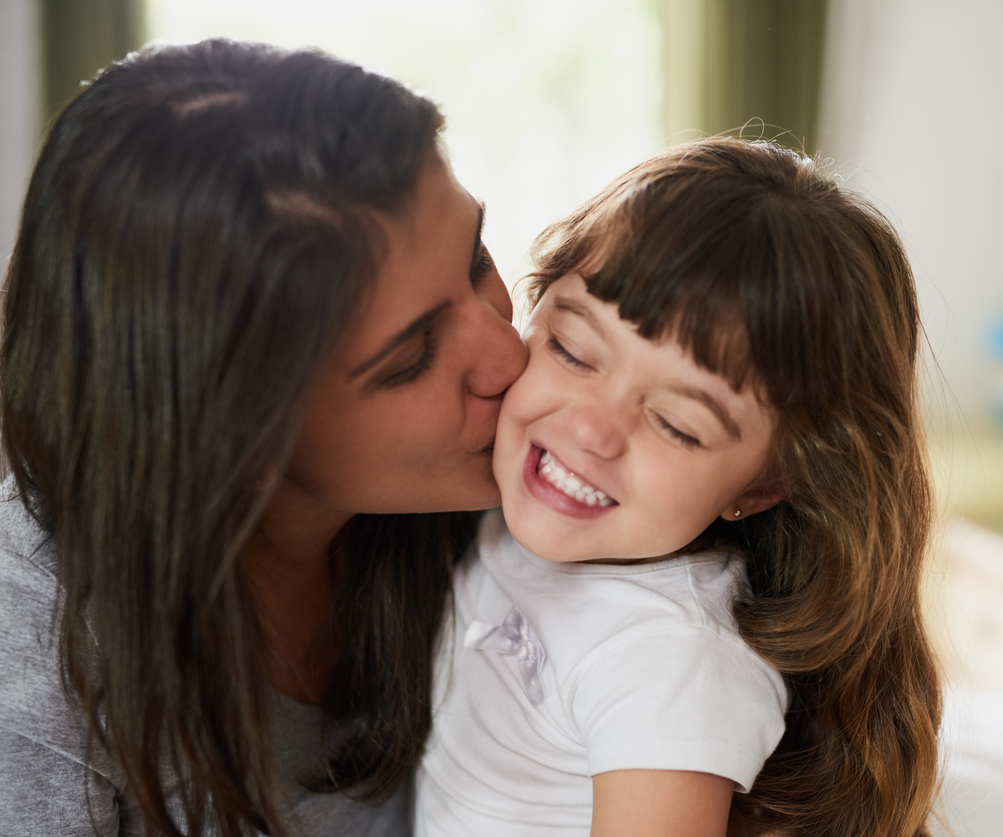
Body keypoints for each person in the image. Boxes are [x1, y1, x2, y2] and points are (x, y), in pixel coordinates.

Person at [0, 39, 526, 837]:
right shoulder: (33, 657)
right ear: (233, 441)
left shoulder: (514, 487)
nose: (509, 355)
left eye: (477, 259)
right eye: (413, 357)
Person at [416, 137, 942, 837]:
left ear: (765, 486)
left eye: (677, 424)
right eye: (573, 351)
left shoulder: (670, 660)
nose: (592, 430)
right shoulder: (489, 496)